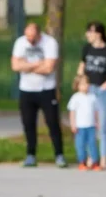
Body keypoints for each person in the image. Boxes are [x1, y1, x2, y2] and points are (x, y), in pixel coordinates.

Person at [11, 22, 67, 168]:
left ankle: (59, 155)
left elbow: (49, 68)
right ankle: (31, 155)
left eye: (32, 37)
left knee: (52, 123)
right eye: (27, 36)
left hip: (46, 89)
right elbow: (15, 66)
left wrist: (26, 65)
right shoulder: (20, 42)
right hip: (27, 90)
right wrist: (37, 64)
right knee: (28, 123)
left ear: (39, 34)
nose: (29, 40)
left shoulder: (50, 43)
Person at [77, 21, 106, 170]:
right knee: (89, 126)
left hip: (101, 91)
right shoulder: (87, 49)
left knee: (102, 127)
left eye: (90, 32)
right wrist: (80, 82)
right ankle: (92, 157)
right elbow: (81, 67)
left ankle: (103, 159)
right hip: (87, 91)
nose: (87, 35)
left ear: (98, 34)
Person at [67, 74, 101, 170]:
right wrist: (73, 124)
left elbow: (95, 111)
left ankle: (94, 162)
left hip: (90, 125)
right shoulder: (75, 98)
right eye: (82, 84)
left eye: (86, 84)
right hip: (80, 126)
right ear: (77, 86)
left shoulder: (92, 97)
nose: (85, 86)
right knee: (80, 145)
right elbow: (72, 112)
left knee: (92, 144)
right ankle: (82, 162)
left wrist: (97, 122)